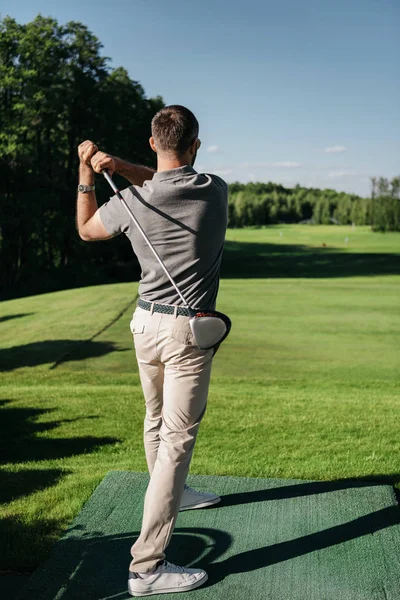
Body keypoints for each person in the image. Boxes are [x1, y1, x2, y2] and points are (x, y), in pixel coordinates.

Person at [76, 105, 228, 597]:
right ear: (196, 145)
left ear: (151, 142)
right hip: (187, 333)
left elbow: (86, 229)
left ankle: (177, 495)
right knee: (177, 440)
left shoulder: (134, 201)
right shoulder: (213, 189)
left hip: (144, 322)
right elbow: (168, 176)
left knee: (155, 418)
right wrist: (119, 168)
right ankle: (146, 567)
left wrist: (90, 174)